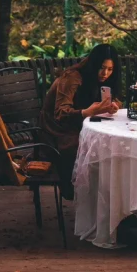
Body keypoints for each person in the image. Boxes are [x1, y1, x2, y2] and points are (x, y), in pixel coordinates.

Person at [40, 43, 122, 190]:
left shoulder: (99, 78)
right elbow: (60, 114)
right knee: (99, 148)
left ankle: (112, 198)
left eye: (110, 69)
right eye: (102, 67)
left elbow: (115, 99)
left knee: (114, 145)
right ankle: (90, 195)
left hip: (80, 125)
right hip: (57, 131)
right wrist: (87, 112)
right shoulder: (72, 77)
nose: (105, 73)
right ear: (94, 64)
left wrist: (113, 105)